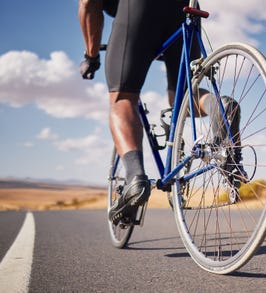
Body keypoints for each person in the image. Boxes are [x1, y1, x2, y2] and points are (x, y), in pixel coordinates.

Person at [79, 0, 244, 225]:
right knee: (184, 96)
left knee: (122, 97)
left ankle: (134, 179)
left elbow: (88, 4)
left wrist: (91, 56)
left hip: (137, 9)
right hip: (183, 7)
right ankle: (220, 106)